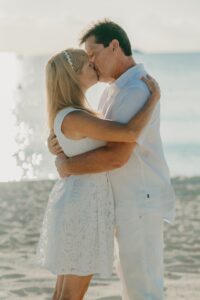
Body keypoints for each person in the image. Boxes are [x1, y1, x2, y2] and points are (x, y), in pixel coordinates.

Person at [48, 20, 176, 300]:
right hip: (120, 203)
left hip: (138, 201)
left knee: (143, 288)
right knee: (132, 285)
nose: (90, 62)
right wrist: (60, 142)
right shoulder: (113, 90)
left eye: (93, 54)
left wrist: (66, 166)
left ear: (114, 46)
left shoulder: (135, 90)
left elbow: (116, 156)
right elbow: (89, 136)